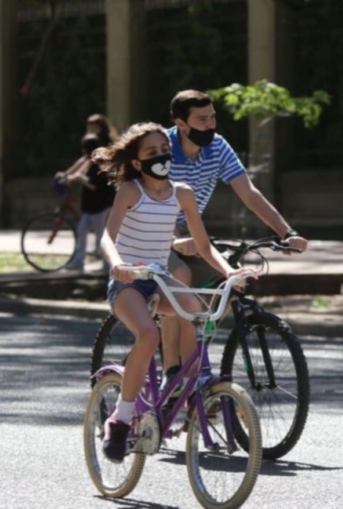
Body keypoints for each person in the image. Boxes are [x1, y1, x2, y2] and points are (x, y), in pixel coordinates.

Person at [94, 122, 249, 463]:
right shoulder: (131, 191)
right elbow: (107, 236)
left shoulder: (183, 193)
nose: (160, 157)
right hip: (129, 281)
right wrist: (118, 263)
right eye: (151, 153)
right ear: (136, 162)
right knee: (148, 334)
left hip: (161, 279)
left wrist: (230, 272)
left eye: (164, 151)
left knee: (196, 314)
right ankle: (120, 419)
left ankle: (194, 390)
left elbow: (205, 247)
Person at [159, 89, 309, 391]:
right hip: (156, 232)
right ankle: (172, 371)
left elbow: (249, 193)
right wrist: (177, 238)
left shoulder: (217, 147)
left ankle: (192, 352)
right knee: (181, 277)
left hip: (192, 232)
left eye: (213, 116)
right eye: (202, 119)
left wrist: (286, 233)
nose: (211, 124)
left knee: (230, 282)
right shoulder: (161, 147)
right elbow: (153, 198)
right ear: (181, 124)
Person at [61, 114, 119, 272]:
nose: (89, 130)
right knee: (82, 230)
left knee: (102, 235)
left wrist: (78, 177)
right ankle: (78, 262)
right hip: (91, 202)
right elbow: (84, 161)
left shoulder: (104, 149)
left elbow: (94, 178)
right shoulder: (92, 147)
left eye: (92, 127)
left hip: (101, 200)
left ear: (100, 128)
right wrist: (69, 174)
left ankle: (108, 265)